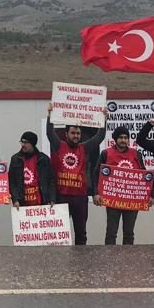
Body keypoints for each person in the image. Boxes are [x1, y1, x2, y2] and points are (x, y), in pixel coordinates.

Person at [46, 103, 107, 245]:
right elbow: (50, 133)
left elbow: (99, 137)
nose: (76, 136)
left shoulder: (84, 147)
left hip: (80, 197)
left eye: (78, 134)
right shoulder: (59, 145)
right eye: (73, 133)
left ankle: (81, 263)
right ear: (66, 134)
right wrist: (50, 116)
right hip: (62, 196)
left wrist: (104, 119)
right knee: (61, 233)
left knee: (81, 233)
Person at [94, 126, 145, 244]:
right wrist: (96, 193)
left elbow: (144, 176)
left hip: (131, 200)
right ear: (115, 139)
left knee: (129, 233)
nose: (123, 140)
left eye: (126, 137)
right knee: (111, 232)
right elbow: (96, 174)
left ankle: (127, 259)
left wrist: (150, 195)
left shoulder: (136, 154)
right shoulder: (106, 153)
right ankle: (109, 259)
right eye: (121, 137)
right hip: (112, 199)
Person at [9, 131, 56, 208]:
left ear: (32, 144)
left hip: (42, 204)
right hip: (22, 205)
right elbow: (12, 182)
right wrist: (15, 199)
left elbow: (51, 180)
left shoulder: (43, 159)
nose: (23, 145)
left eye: (26, 142)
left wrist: (52, 199)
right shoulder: (15, 159)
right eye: (22, 142)